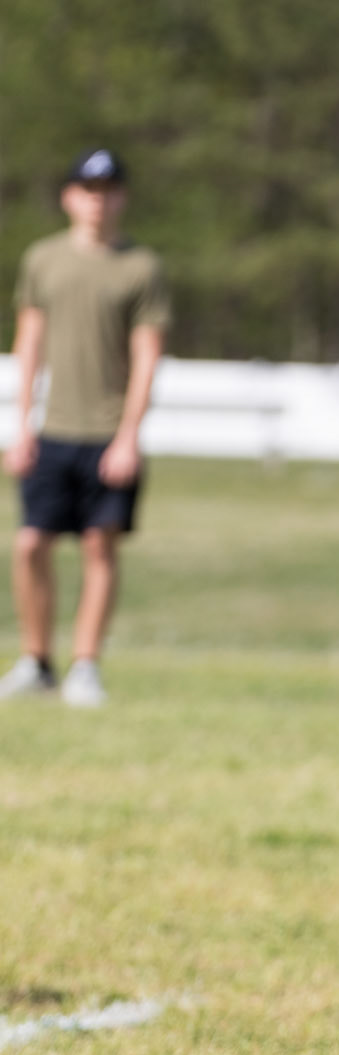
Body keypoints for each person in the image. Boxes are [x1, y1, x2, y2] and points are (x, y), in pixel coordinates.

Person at [1, 148, 168, 708]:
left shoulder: (140, 267)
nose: (99, 202)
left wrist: (129, 436)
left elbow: (147, 355)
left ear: (122, 198)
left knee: (100, 545)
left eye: (109, 191)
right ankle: (36, 660)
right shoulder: (43, 259)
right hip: (52, 429)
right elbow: (29, 343)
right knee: (30, 544)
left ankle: (86, 665)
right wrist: (21, 425)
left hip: (107, 432)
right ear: (70, 197)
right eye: (89, 191)